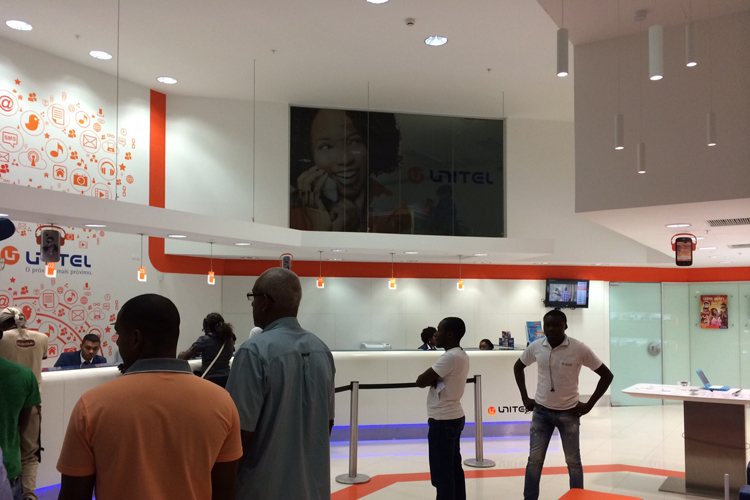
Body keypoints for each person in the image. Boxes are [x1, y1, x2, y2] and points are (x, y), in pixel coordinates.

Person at [56, 294, 242, 500]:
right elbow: (226, 491)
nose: (118, 343)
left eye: (119, 335)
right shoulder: (223, 403)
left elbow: (73, 494)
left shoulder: (91, 406)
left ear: (135, 338)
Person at [227, 268, 336, 500]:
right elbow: (327, 423)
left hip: (262, 490)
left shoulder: (253, 352)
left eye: (253, 298)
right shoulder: (322, 350)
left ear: (264, 302)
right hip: (313, 489)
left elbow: (239, 435)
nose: (252, 305)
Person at [513, 309, 613, 500]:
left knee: (573, 462)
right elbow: (518, 367)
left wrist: (590, 404)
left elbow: (607, 375)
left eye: (556, 325)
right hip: (541, 412)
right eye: (548, 325)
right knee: (534, 460)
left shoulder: (579, 348)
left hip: (569, 413)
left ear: (565, 326)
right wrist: (525, 398)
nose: (551, 329)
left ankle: (577, 497)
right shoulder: (536, 346)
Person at [289, 107, 404, 233]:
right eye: (326, 146)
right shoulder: (291, 212)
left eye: (354, 141)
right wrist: (324, 229)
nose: (344, 160)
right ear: (309, 154)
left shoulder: (393, 208)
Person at [416, 317, 470, 500]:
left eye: (439, 330)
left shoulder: (450, 357)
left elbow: (420, 381)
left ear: (450, 334)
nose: (435, 334)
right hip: (454, 416)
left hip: (442, 420)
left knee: (442, 475)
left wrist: (432, 379)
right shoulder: (461, 354)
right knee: (453, 468)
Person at [0, 307, 47, 500]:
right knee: (30, 453)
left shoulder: (3, 338)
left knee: (8, 443)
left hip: (8, 397)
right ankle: (29, 494)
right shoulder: (42, 338)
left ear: (3, 324)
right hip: (31, 399)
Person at [178, 313, 236, 388]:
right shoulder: (229, 340)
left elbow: (182, 358)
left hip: (211, 381)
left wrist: (181, 353)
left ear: (208, 328)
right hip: (227, 380)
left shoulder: (204, 340)